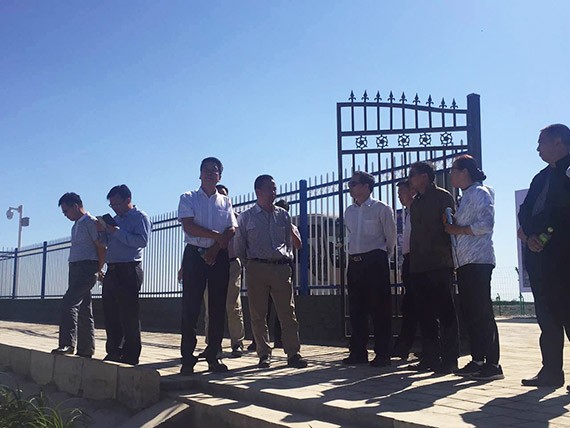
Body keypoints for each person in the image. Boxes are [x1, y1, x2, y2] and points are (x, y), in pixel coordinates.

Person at [234, 174, 308, 369]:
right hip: (256, 268)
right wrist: (249, 265)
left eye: (275, 188)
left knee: (288, 313)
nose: (273, 192)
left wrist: (286, 261)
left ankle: (293, 353)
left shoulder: (283, 215)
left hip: (281, 268)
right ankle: (264, 354)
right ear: (258, 191)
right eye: (269, 188)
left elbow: (289, 242)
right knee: (258, 314)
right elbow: (239, 245)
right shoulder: (246, 217)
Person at [519, 124, 570, 388]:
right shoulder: (540, 177)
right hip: (540, 259)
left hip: (564, 257)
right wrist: (530, 236)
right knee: (547, 318)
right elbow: (525, 211)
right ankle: (551, 372)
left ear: (558, 142)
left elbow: (563, 213)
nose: (538, 148)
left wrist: (546, 235)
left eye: (542, 142)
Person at [445, 155, 504, 381]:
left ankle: (493, 364)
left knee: (482, 312)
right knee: (470, 312)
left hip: (479, 261)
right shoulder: (465, 196)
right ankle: (478, 359)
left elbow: (486, 225)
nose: (451, 174)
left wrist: (457, 229)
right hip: (464, 262)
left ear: (465, 172)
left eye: (454, 170)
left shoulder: (481, 192)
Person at [178, 157, 237, 375]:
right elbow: (189, 226)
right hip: (195, 255)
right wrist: (216, 237)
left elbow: (232, 228)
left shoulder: (225, 201)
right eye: (207, 170)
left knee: (217, 307)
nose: (211, 173)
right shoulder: (188, 197)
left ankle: (214, 356)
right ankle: (187, 358)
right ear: (200, 173)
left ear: (220, 176)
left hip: (218, 256)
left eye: (215, 170)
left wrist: (216, 247)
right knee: (191, 307)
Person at [407, 161, 459, 374]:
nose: (410, 179)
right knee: (425, 314)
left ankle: (449, 359)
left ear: (424, 177)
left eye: (413, 174)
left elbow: (450, 226)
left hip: (439, 263)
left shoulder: (442, 197)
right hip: (419, 265)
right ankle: (430, 357)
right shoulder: (415, 203)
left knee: (445, 312)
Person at [342, 171, 396, 367]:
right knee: (357, 309)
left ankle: (383, 353)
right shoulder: (349, 211)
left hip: (375, 260)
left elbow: (390, 238)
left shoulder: (381, 208)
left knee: (380, 309)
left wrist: (381, 256)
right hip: (355, 262)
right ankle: (358, 351)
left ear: (366, 186)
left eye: (353, 183)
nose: (350, 187)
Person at [96, 184, 151, 366]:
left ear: (128, 200)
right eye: (111, 205)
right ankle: (114, 351)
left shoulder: (140, 217)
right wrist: (102, 231)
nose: (114, 208)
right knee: (110, 313)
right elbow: (105, 243)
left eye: (117, 204)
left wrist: (116, 231)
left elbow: (142, 241)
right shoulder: (114, 220)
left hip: (129, 268)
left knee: (129, 314)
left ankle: (131, 354)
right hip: (112, 269)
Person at [52, 193, 105, 358]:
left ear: (75, 206)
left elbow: (101, 247)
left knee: (68, 303)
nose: (65, 215)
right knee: (84, 309)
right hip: (75, 268)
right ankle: (86, 349)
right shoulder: (75, 225)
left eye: (66, 211)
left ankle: (67, 344)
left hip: (86, 268)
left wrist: (98, 268)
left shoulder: (90, 222)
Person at [201, 184, 246, 358]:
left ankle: (237, 343)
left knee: (232, 304)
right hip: (209, 263)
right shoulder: (206, 219)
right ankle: (212, 345)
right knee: (210, 306)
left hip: (231, 263)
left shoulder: (237, 219)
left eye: (223, 195)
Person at [391, 180, 418, 360]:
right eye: (398, 192)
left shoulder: (417, 210)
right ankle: (403, 346)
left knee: (416, 305)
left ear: (412, 191)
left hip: (419, 260)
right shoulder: (408, 212)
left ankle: (407, 346)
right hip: (408, 260)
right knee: (409, 305)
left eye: (402, 191)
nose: (399, 195)